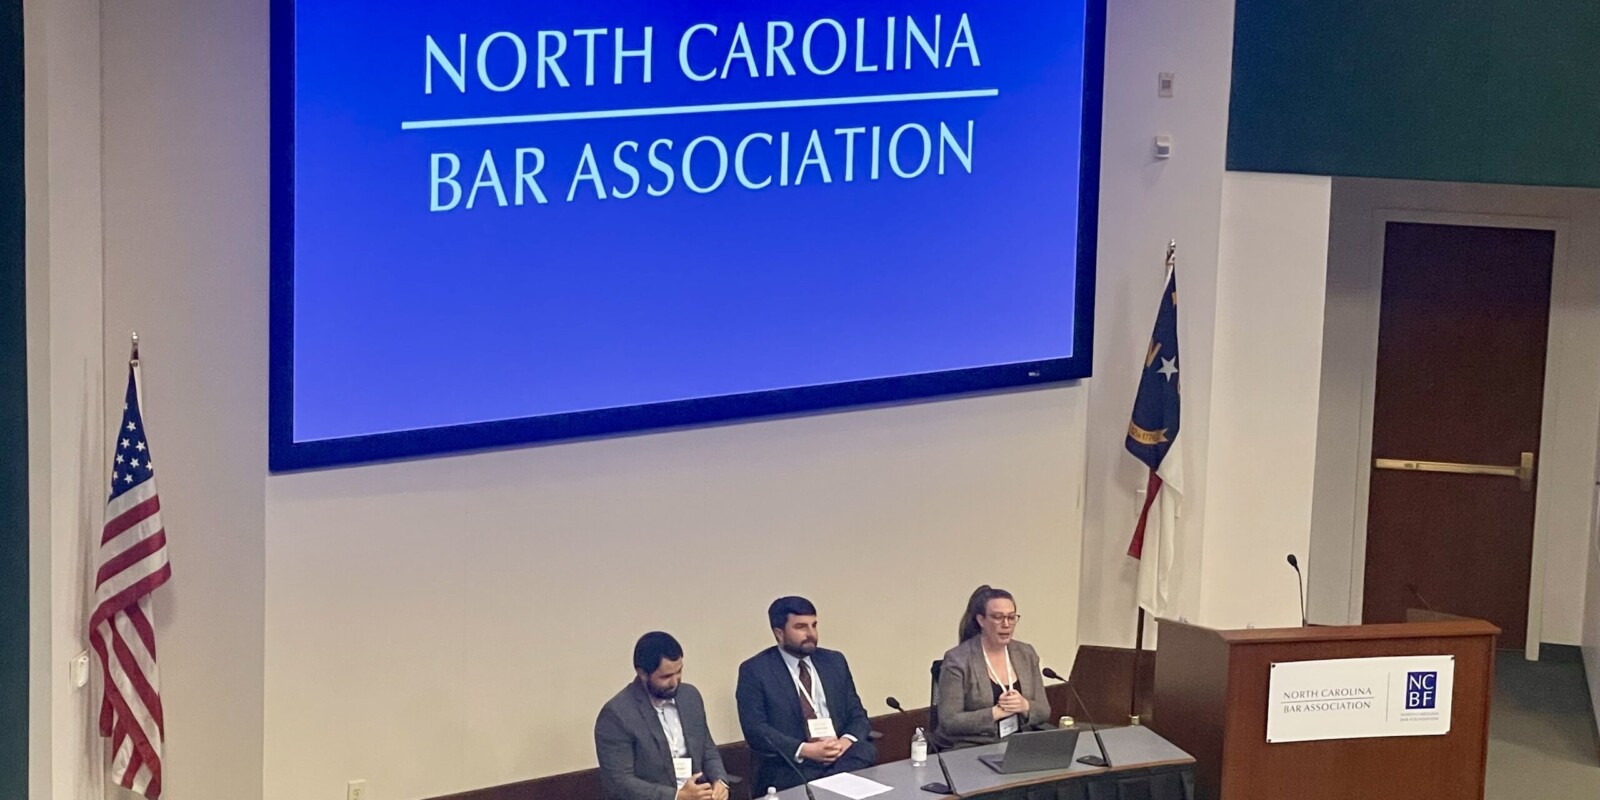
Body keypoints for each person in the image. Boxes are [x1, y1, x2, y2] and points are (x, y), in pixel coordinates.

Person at [736, 596, 877, 790]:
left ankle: (829, 784)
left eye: (814, 625)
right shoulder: (756, 670)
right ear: (779, 633)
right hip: (794, 764)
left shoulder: (834, 661)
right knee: (796, 777)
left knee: (865, 750)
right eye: (801, 627)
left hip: (841, 756)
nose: (811, 634)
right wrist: (806, 750)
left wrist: (845, 742)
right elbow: (756, 729)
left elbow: (857, 714)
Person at [595, 632, 729, 800]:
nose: (675, 682)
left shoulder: (690, 697)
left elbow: (707, 748)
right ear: (642, 673)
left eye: (679, 671)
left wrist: (720, 780)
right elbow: (620, 782)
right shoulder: (616, 714)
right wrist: (677, 796)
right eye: (666, 676)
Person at [932, 585, 1052, 751]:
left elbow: (1044, 711)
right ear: (981, 620)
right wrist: (995, 713)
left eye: (1011, 617)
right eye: (998, 617)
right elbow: (949, 721)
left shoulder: (1026, 654)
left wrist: (1024, 706)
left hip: (1018, 744)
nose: (1006, 624)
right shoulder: (958, 659)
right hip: (971, 747)